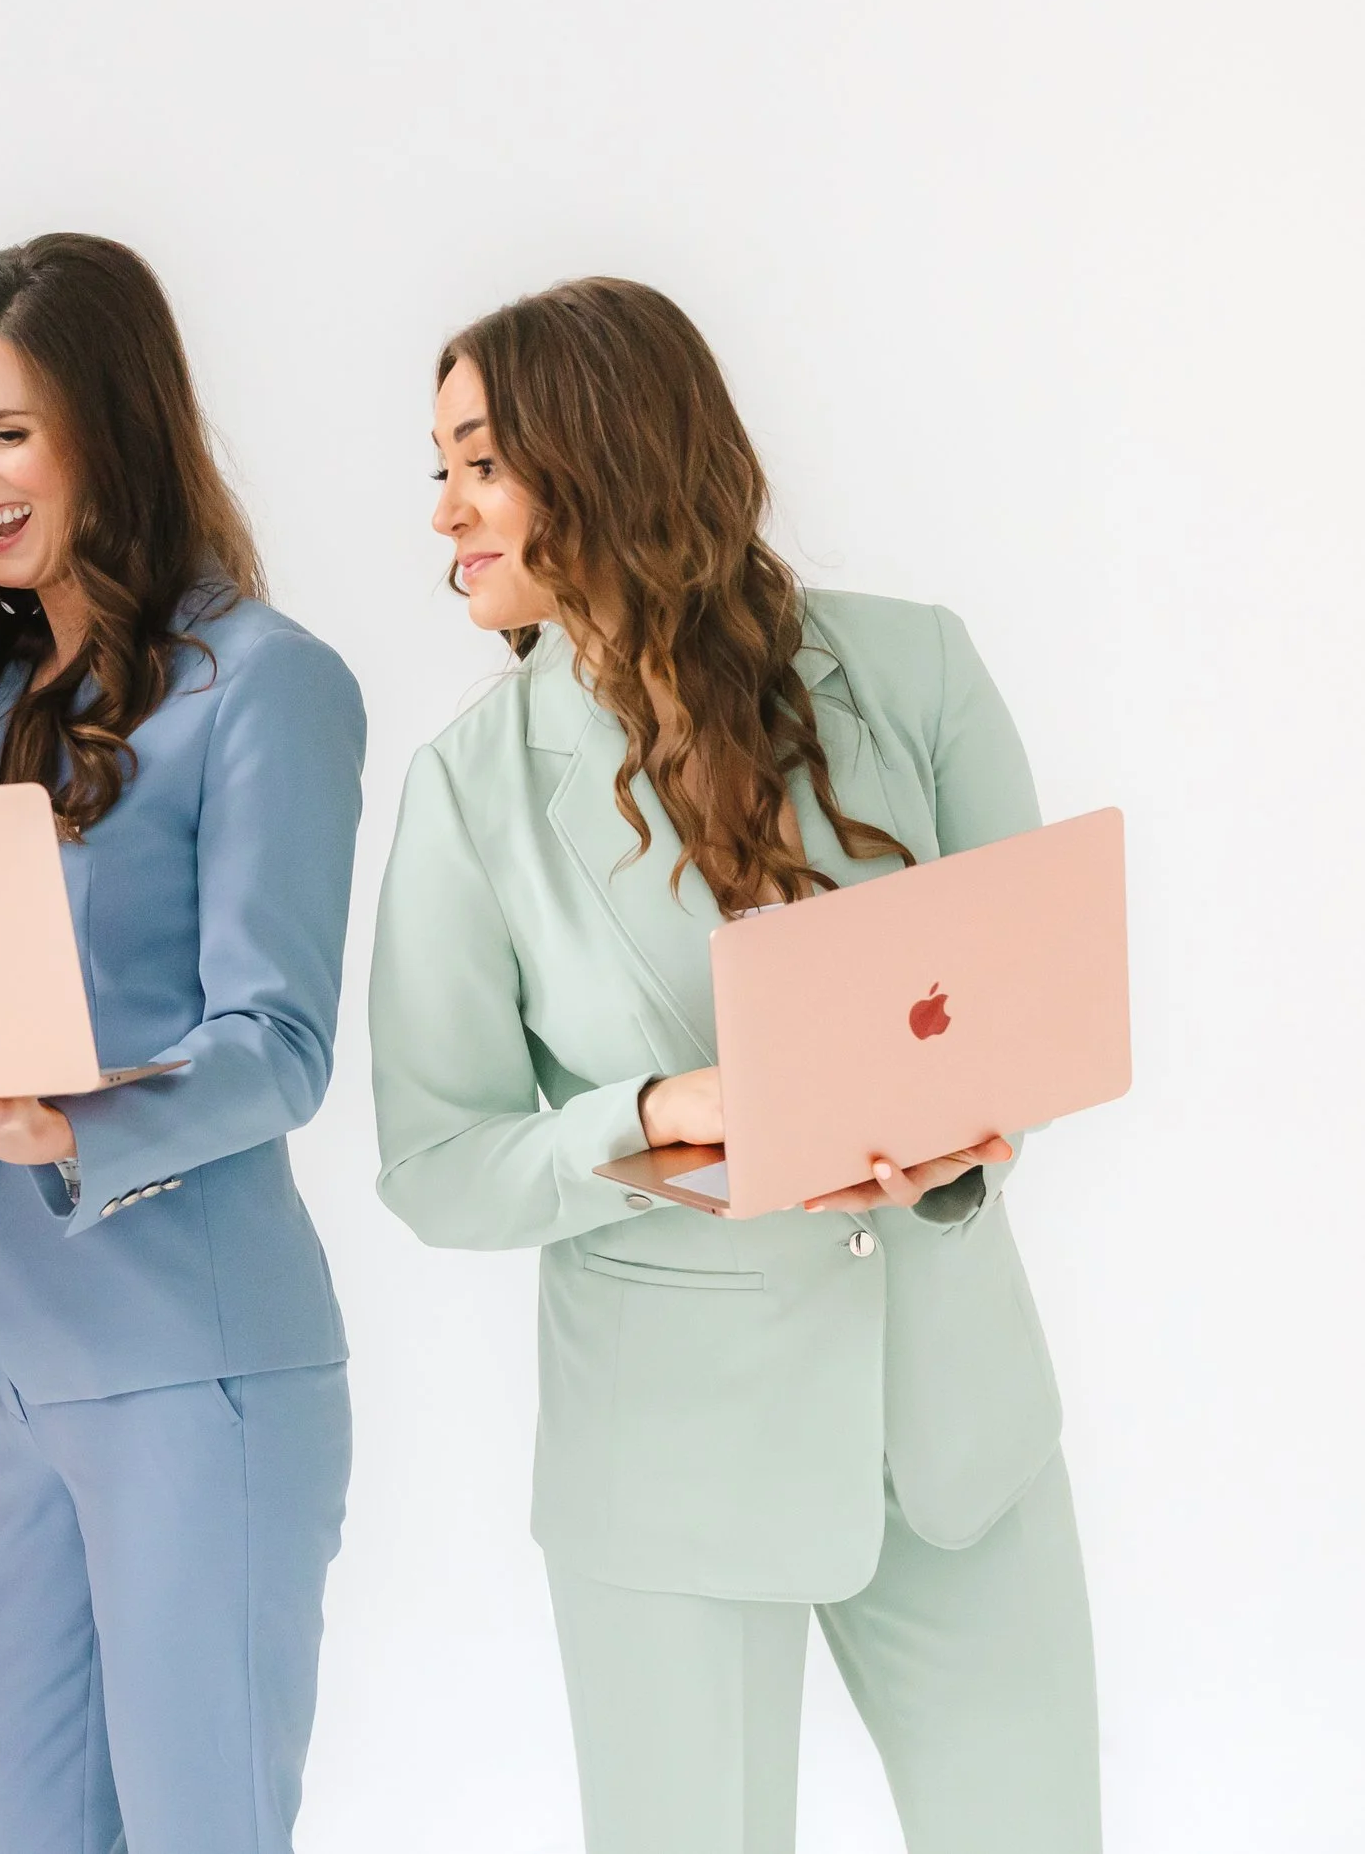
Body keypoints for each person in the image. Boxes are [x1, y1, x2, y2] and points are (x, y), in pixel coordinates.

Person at [369, 278, 1099, 1853]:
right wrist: (646, 1114)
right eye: (439, 468)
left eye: (478, 462)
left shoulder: (915, 672)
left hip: (953, 1431)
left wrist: (972, 1138)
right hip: (672, 1474)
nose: (445, 512)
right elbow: (434, 1159)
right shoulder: (471, 793)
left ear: (607, 450)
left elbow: (1028, 1005)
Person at [0, 233, 366, 1854]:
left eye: (8, 430)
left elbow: (280, 1044)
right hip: (13, 1370)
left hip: (197, 1366)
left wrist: (61, 1126)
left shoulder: (266, 684)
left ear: (110, 428)